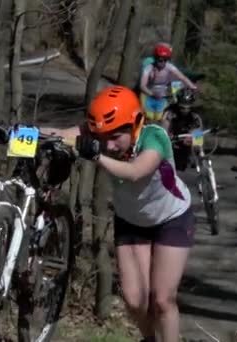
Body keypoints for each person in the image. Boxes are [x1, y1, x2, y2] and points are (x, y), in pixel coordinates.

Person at [41, 86, 195, 342]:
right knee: (134, 301)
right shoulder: (101, 136)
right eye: (102, 137)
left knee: (162, 299)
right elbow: (61, 134)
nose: (109, 144)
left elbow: (135, 171)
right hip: (131, 221)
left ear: (134, 123)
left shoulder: (154, 137)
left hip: (172, 218)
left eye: (115, 136)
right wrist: (23, 131)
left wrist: (96, 154)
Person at [139, 43, 198, 122]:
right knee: (148, 116)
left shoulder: (169, 67)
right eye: (159, 59)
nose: (162, 62)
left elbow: (182, 77)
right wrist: (152, 94)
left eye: (165, 60)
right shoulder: (148, 68)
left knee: (160, 117)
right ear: (155, 58)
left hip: (162, 97)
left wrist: (192, 86)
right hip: (148, 95)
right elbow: (142, 85)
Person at [161, 88, 202, 171]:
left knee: (197, 142)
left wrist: (195, 141)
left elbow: (198, 130)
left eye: (188, 108)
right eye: (182, 108)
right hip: (173, 137)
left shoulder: (195, 114)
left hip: (186, 136)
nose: (185, 110)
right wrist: (167, 136)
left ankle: (196, 159)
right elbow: (164, 129)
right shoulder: (170, 112)